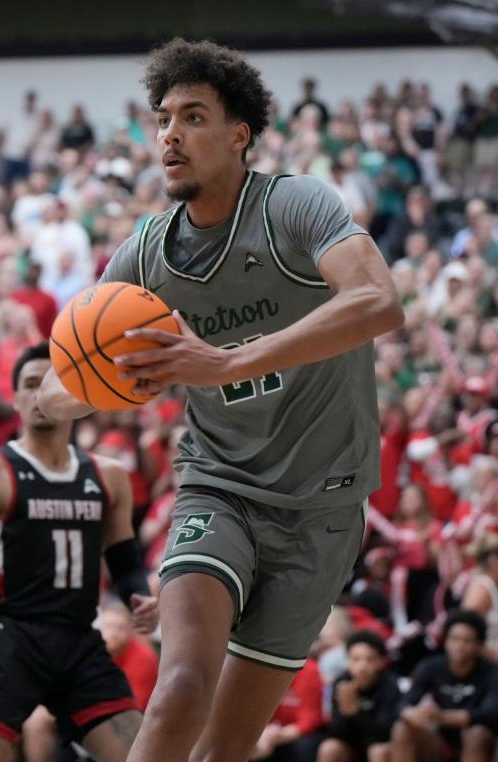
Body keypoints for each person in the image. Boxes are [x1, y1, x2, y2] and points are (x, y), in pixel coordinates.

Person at [37, 38, 403, 762]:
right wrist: (89, 391)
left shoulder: (293, 206)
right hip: (220, 491)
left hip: (324, 510)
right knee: (177, 689)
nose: (169, 134)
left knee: (224, 750)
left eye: (193, 117)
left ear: (239, 135)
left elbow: (378, 301)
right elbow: (56, 384)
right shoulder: (146, 253)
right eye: (163, 118)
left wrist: (220, 361)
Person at [0, 343, 158, 762]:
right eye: (30, 384)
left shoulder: (109, 475)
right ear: (16, 397)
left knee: (141, 754)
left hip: (79, 638)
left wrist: (141, 598)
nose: (41, 394)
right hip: (9, 635)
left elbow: (125, 561)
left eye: (53, 383)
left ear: (78, 394)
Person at [391, 610, 498, 762]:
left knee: (476, 733)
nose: (459, 646)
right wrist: (412, 713)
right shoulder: (431, 666)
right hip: (441, 743)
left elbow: (491, 714)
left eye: (467, 641)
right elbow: (403, 702)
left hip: (482, 743)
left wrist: (442, 717)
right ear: (446, 641)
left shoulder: (491, 672)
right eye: (454, 639)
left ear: (479, 645)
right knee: (402, 727)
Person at [318, 630, 400, 762]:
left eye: (369, 659)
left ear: (380, 661)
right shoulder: (341, 683)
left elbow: (385, 733)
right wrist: (345, 713)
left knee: (378, 751)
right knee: (329, 748)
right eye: (356, 659)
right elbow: (334, 731)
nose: (362, 666)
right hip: (350, 745)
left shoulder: (390, 685)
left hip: (380, 744)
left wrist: (356, 712)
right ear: (348, 661)